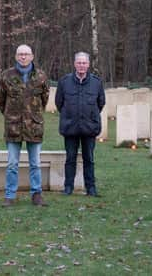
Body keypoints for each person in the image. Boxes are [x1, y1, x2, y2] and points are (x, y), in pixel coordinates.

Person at [0, 44, 50, 207]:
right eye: (20, 54)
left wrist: (34, 114)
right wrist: (10, 114)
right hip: (13, 126)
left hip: (34, 126)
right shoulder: (6, 76)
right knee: (12, 163)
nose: (23, 57)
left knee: (35, 163)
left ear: (32, 56)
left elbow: (44, 99)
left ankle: (37, 194)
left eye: (26, 54)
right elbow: (0, 99)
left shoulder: (41, 76)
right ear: (16, 57)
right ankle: (10, 195)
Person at [55, 52, 105, 197]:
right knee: (70, 158)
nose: (82, 65)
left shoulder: (96, 82)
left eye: (84, 63)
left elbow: (100, 103)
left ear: (88, 64)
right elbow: (59, 103)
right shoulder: (64, 82)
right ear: (75, 64)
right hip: (70, 127)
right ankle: (68, 187)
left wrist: (89, 116)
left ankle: (91, 188)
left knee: (89, 158)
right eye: (79, 62)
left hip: (89, 128)